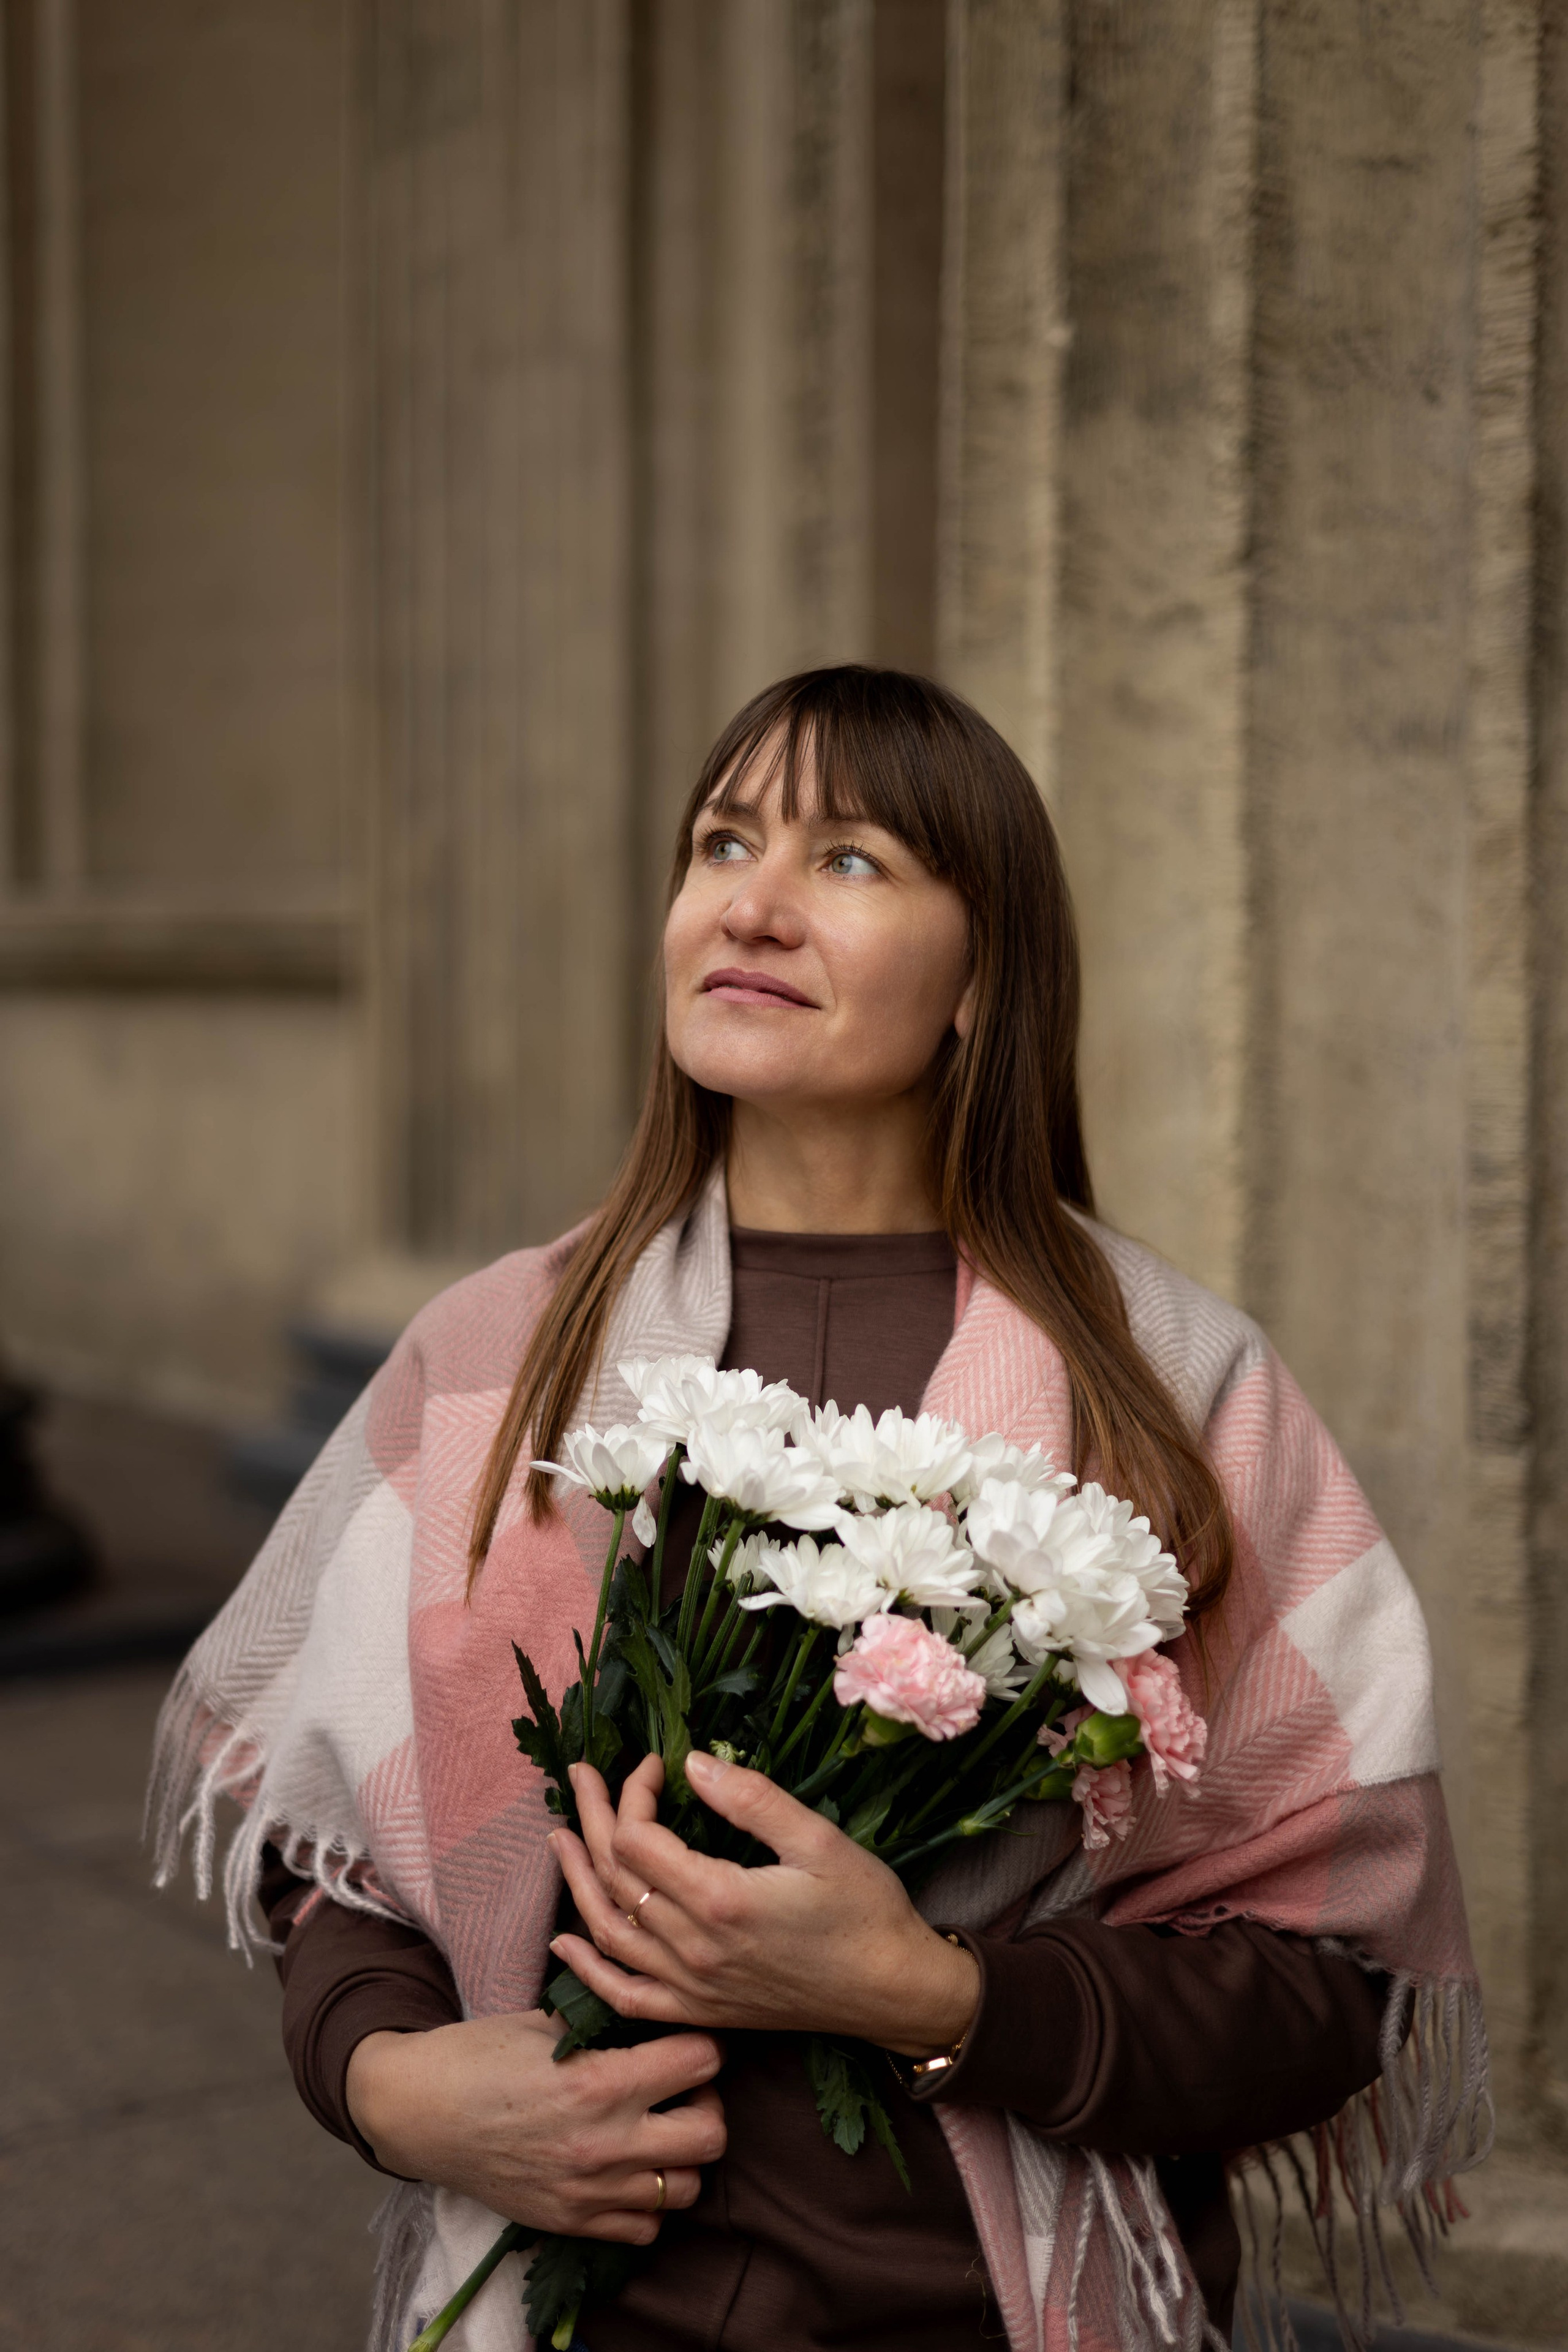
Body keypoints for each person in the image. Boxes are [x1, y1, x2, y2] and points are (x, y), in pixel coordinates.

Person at [151, 668, 1487, 2352]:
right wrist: (389, 2078)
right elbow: (332, 1844)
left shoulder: (1175, 1387)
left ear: (981, 979)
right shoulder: (501, 1358)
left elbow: (1327, 1979)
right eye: (722, 843)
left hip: (990, 2313)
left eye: (849, 860)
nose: (755, 905)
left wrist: (935, 1997)